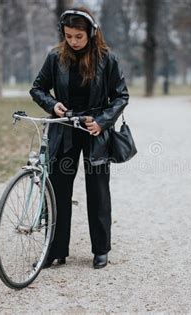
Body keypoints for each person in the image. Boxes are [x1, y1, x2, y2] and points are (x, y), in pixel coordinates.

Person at [29, 7, 129, 269]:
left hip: (95, 131)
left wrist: (103, 122)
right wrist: (53, 105)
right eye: (68, 36)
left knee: (98, 191)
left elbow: (121, 96)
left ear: (92, 34)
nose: (72, 41)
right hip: (64, 129)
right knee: (59, 190)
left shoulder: (108, 59)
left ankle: (101, 249)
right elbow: (37, 88)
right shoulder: (55, 57)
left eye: (78, 36)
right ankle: (56, 249)